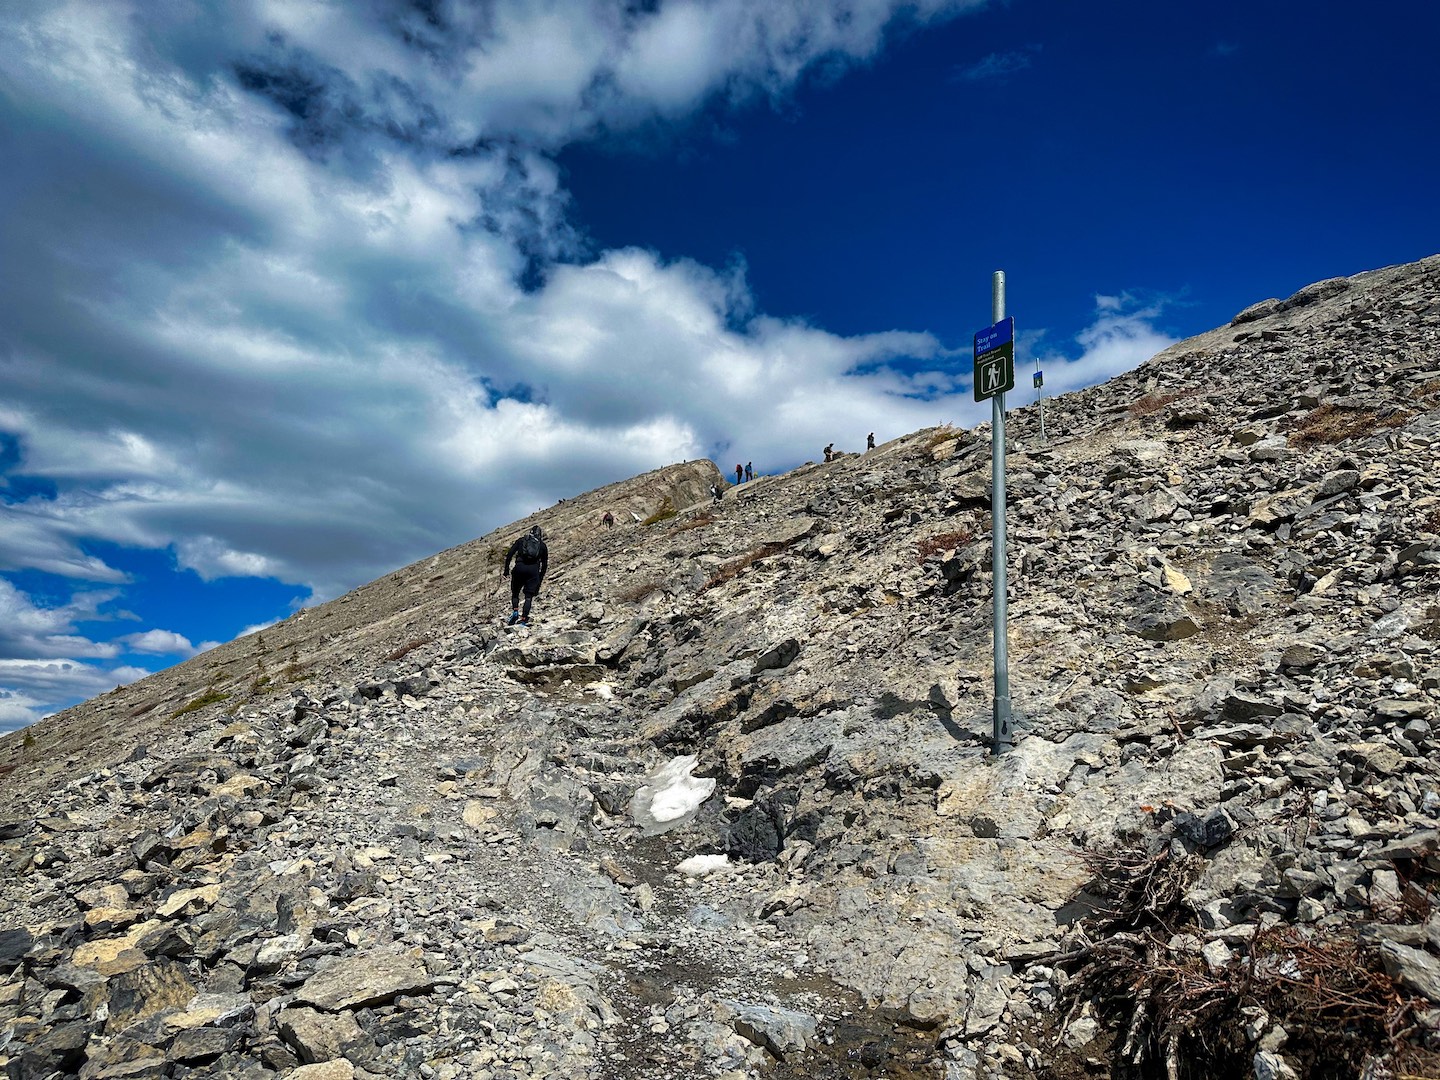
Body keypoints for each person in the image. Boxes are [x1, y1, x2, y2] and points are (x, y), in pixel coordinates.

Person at [502, 525, 548, 626]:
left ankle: (515, 611)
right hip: (533, 571)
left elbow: (509, 554)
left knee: (515, 592)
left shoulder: (521, 540)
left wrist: (506, 571)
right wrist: (539, 580)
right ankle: (523, 619)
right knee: (528, 597)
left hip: (519, 568)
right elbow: (544, 565)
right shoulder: (542, 546)